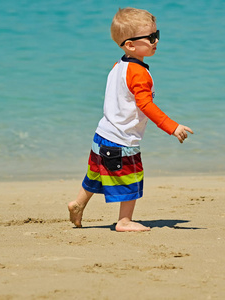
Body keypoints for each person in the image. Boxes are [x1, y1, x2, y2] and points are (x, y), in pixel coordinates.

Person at [68, 7, 193, 232]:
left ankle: (78, 204)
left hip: (102, 135)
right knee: (132, 177)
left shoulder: (119, 66)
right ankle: (124, 221)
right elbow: (145, 105)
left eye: (157, 35)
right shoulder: (139, 73)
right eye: (151, 37)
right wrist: (172, 127)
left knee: (95, 173)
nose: (156, 41)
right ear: (130, 45)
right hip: (122, 140)